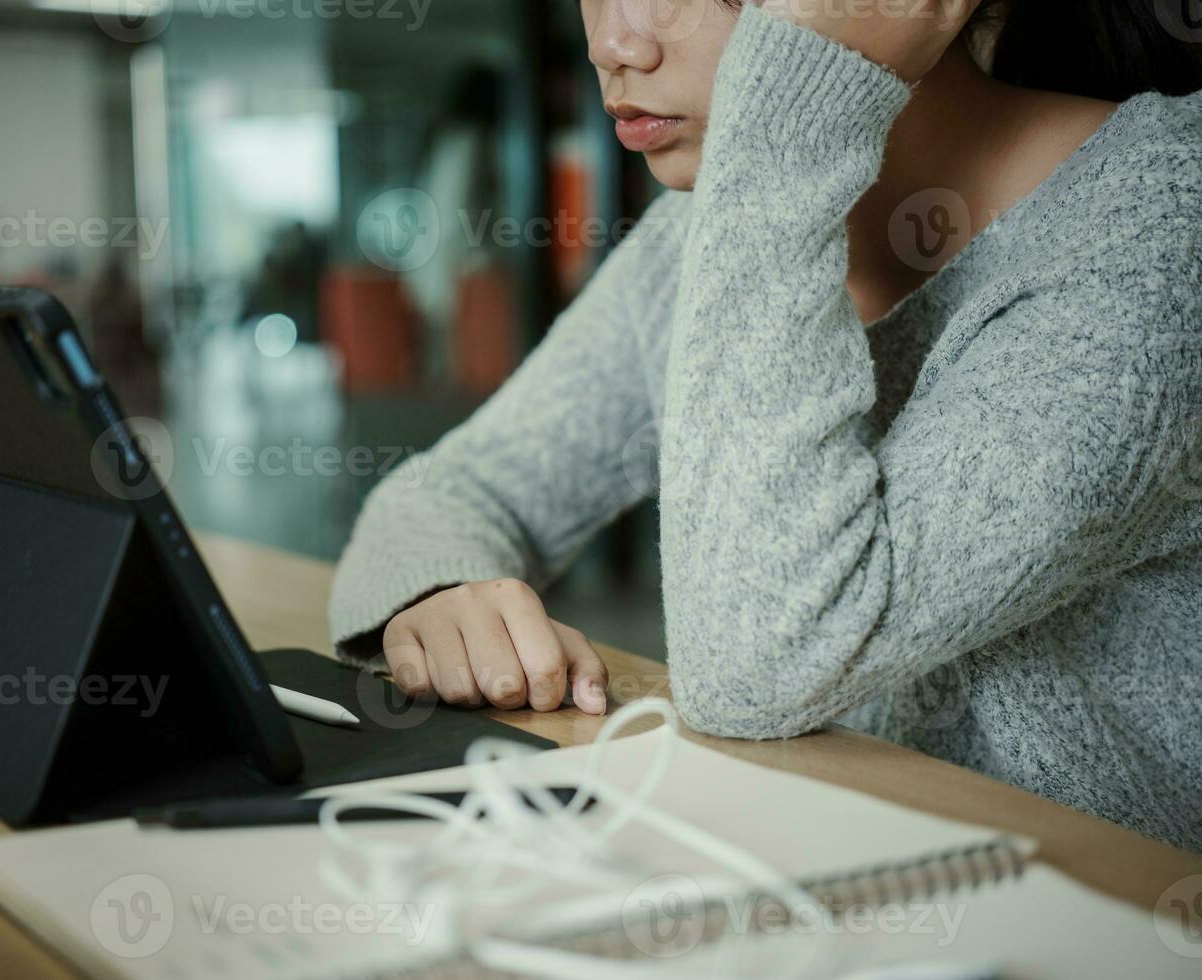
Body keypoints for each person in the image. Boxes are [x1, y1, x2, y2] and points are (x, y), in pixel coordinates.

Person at [328, 0, 1202, 851]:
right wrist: (437, 595)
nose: (613, 43)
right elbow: (454, 488)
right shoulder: (704, 238)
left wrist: (791, 115)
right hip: (813, 889)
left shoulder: (1160, 220)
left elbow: (760, 667)